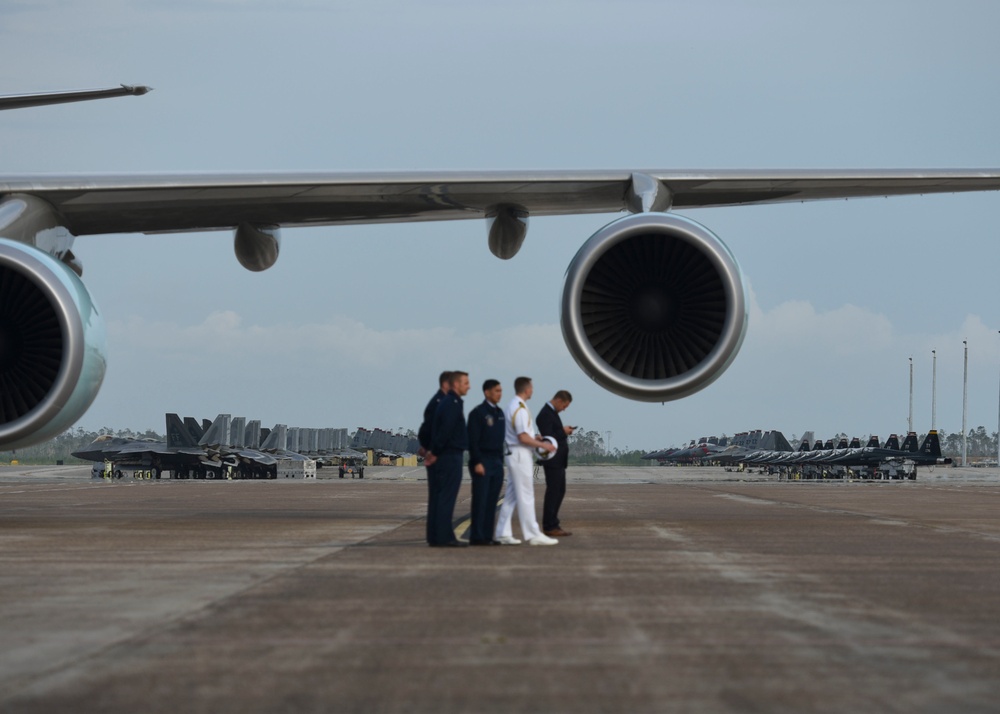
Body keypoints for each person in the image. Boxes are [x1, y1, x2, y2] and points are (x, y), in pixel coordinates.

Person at [494, 376, 558, 546]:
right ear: (526, 389)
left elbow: (522, 434)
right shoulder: (519, 408)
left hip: (515, 453)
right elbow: (522, 437)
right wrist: (543, 445)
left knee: (511, 496)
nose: (533, 390)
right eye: (532, 387)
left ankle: (502, 532)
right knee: (526, 495)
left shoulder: (514, 406)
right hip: (520, 454)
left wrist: (534, 437)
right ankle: (533, 534)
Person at [425, 371, 470, 547]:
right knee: (446, 498)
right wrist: (435, 452)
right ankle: (444, 537)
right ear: (455, 384)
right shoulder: (452, 403)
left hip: (445, 454)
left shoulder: (447, 402)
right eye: (466, 383)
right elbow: (445, 431)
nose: (469, 386)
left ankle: (437, 536)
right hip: (449, 456)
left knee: (440, 498)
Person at [466, 379, 505, 546]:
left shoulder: (500, 413)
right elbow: (472, 441)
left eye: (500, 391)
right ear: (487, 392)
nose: (499, 394)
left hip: (497, 462)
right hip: (483, 461)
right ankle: (477, 536)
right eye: (496, 391)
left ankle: (488, 536)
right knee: (480, 501)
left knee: (491, 502)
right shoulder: (478, 413)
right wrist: (477, 462)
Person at [418, 371, 451, 545]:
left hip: (442, 457)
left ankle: (438, 536)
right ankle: (437, 536)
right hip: (439, 459)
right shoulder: (439, 403)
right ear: (446, 384)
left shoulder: (443, 402)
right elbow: (426, 430)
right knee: (439, 498)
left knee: (439, 499)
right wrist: (430, 450)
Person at [536, 390, 575, 537]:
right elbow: (548, 437)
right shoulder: (545, 414)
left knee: (559, 490)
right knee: (553, 492)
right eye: (564, 405)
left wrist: (563, 431)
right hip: (552, 460)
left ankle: (553, 523)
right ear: (558, 400)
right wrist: (563, 431)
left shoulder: (551, 413)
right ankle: (549, 525)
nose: (564, 409)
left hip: (558, 460)